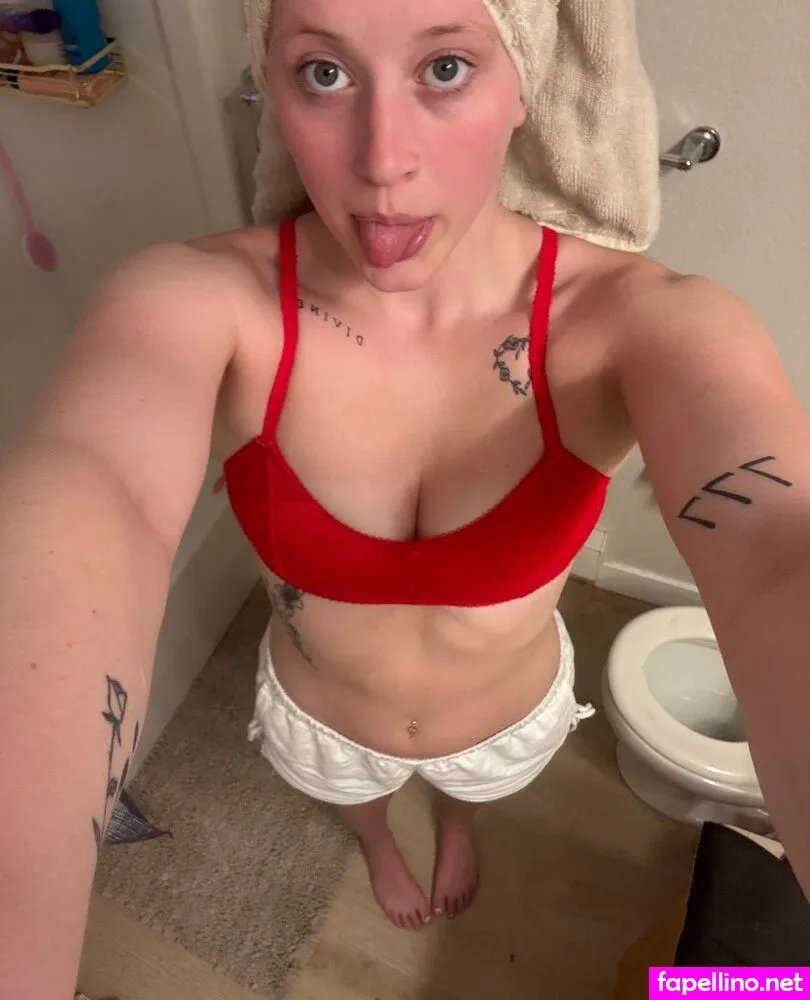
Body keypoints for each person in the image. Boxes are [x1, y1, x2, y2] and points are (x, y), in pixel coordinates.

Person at [2, 0, 810, 995]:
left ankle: (458, 823)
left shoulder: (643, 323)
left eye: (446, 68)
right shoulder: (191, 302)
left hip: (506, 726)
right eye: (325, 73)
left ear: (526, 80)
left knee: (469, 792)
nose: (382, 161)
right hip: (323, 724)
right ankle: (381, 841)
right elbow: (96, 494)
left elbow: (778, 553)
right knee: (362, 797)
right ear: (273, 86)